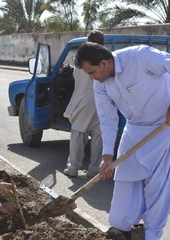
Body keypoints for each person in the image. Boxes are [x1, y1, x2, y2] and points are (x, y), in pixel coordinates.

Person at [75, 42, 170, 240]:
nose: (91, 78)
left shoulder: (139, 57)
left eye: (92, 72)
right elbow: (108, 118)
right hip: (135, 128)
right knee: (123, 178)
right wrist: (107, 156)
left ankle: (151, 234)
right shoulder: (100, 84)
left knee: (159, 185)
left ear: (104, 63)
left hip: (167, 126)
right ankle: (121, 229)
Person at [63, 30, 104, 178]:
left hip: (83, 99)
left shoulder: (81, 58)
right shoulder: (106, 58)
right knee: (98, 136)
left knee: (78, 134)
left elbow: (75, 76)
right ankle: (94, 170)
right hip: (102, 102)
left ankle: (73, 167)